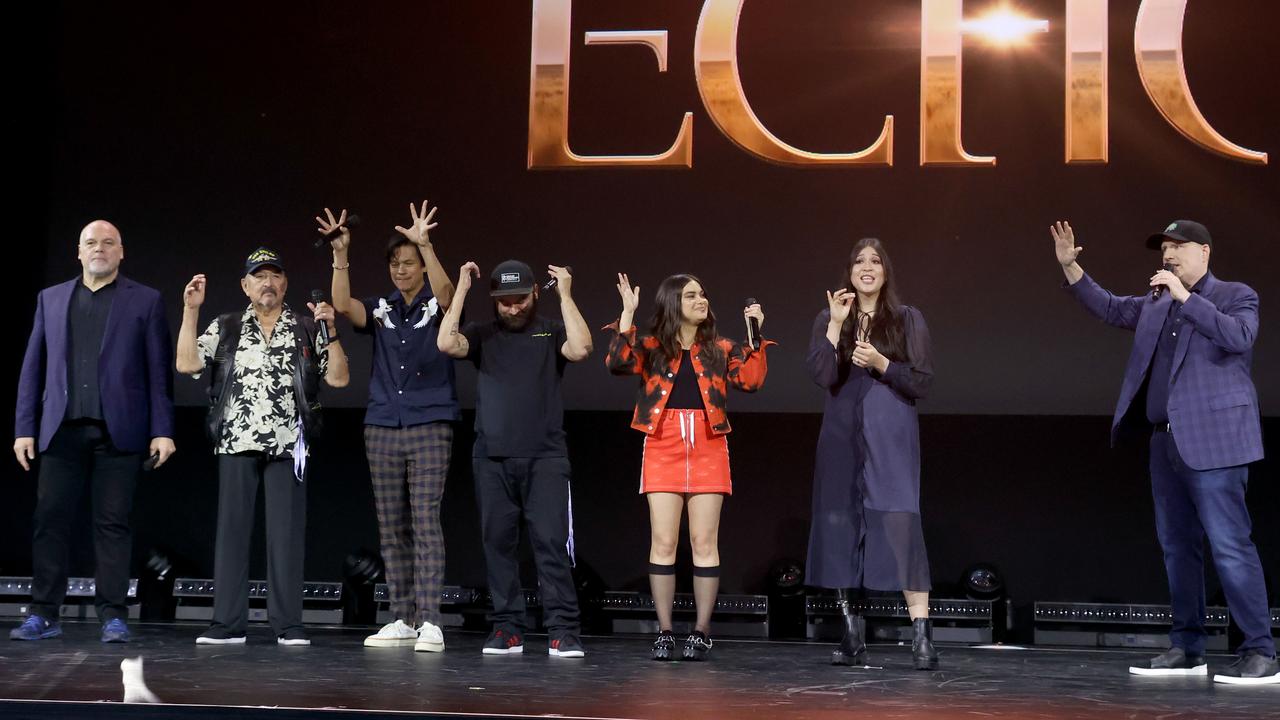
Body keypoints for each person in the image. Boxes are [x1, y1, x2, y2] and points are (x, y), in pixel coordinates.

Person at [1052, 219, 1277, 685]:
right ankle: (1188, 646)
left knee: (1230, 546)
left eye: (1178, 247)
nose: (1168, 255)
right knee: (1177, 548)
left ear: (1205, 253)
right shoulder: (1156, 301)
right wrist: (1072, 269)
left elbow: (1239, 337)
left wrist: (1185, 298)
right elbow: (1112, 308)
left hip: (1216, 441)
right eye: (1165, 248)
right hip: (1165, 441)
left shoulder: (1236, 294)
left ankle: (1260, 651)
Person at [12, 220, 176, 644]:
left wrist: (162, 430)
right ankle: (44, 612)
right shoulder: (50, 298)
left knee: (113, 524)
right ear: (78, 252)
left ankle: (112, 615)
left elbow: (158, 373)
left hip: (118, 432)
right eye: (91, 243)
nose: (99, 249)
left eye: (108, 243)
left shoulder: (146, 300)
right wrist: (23, 428)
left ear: (121, 252)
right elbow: (34, 367)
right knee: (49, 521)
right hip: (60, 430)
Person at [176, 246, 349, 646]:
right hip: (236, 440)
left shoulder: (306, 325)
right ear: (245, 285)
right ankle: (227, 623)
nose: (267, 283)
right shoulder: (228, 324)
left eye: (274, 276)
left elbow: (338, 379)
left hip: (289, 443)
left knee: (286, 536)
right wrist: (190, 312)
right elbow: (187, 364)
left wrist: (332, 329)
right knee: (232, 533)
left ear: (284, 283)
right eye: (258, 276)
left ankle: (288, 624)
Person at [605, 273, 771, 661]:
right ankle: (664, 631)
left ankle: (701, 630)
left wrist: (755, 337)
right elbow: (617, 361)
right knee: (663, 542)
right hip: (662, 441)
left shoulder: (721, 347)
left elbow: (751, 380)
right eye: (691, 294)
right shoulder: (650, 346)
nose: (701, 300)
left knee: (703, 542)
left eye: (703, 293)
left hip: (708, 443)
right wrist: (627, 314)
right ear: (672, 303)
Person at [437, 258, 591, 658]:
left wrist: (568, 296)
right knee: (498, 545)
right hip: (491, 458)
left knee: (551, 544)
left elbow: (582, 349)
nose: (513, 308)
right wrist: (462, 291)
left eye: (520, 299)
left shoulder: (551, 330)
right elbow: (446, 344)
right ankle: (507, 628)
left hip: (545, 458)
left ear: (535, 294)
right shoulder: (483, 334)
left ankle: (563, 630)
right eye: (504, 301)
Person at [324, 202, 459, 652]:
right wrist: (341, 254)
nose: (401, 270)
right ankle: (401, 616)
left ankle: (431, 621)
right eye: (395, 264)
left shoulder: (436, 305)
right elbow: (342, 305)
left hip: (429, 421)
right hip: (382, 423)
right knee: (390, 525)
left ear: (420, 265)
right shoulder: (379, 308)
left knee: (425, 519)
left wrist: (427, 244)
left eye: (409, 263)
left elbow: (446, 294)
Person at [804, 238, 937, 670]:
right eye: (859, 260)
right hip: (842, 438)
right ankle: (852, 636)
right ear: (849, 271)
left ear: (885, 272)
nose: (867, 267)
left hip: (890, 434)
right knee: (844, 529)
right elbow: (822, 375)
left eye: (875, 260)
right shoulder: (830, 316)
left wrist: (882, 363)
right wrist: (834, 326)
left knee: (900, 525)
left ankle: (921, 638)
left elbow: (921, 381)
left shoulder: (906, 318)